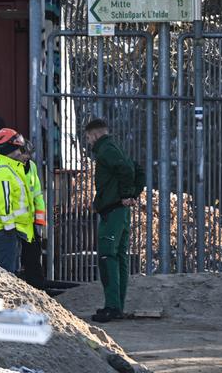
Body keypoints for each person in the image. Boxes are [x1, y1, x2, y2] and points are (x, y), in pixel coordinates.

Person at [84, 119, 137, 323]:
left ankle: (113, 307)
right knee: (119, 257)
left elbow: (127, 169)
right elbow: (131, 168)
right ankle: (116, 306)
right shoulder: (112, 148)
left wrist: (126, 194)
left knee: (108, 256)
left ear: (95, 135)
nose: (88, 142)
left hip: (114, 210)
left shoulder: (106, 150)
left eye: (88, 138)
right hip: (119, 210)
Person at [0, 128, 35, 273]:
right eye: (18, 149)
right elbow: (3, 203)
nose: (21, 152)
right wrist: (9, 227)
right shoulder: (3, 171)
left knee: (10, 270)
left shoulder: (9, 168)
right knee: (7, 272)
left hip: (8, 229)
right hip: (4, 230)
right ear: (10, 149)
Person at [16, 139, 46, 288]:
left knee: (34, 254)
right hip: (14, 221)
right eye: (24, 154)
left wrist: (39, 220)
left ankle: (37, 285)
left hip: (29, 221)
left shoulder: (31, 167)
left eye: (28, 154)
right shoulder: (11, 168)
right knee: (17, 257)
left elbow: (37, 194)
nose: (27, 157)